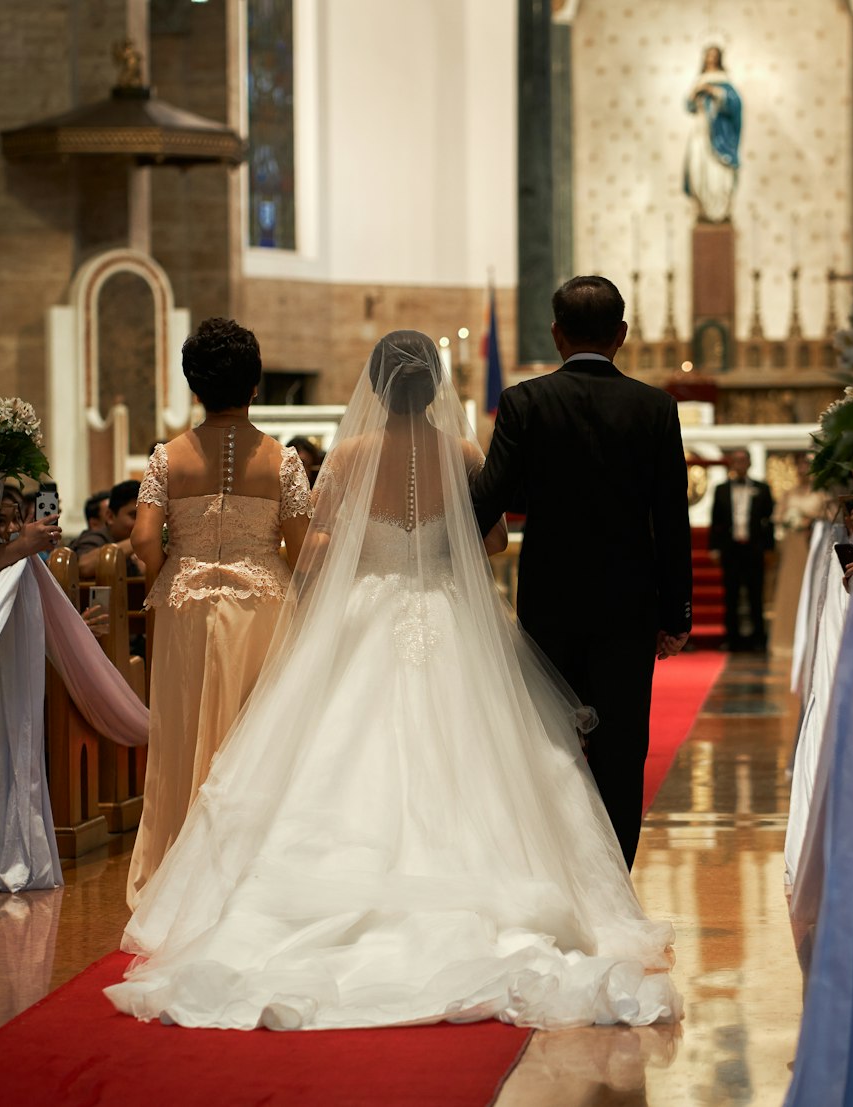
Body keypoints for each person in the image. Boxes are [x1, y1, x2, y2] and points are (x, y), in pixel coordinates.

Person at [105, 330, 681, 1031]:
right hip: (448, 614)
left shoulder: (347, 455)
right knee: (491, 759)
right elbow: (491, 541)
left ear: (374, 388)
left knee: (330, 753)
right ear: (434, 384)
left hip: (366, 614)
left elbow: (321, 541)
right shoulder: (462, 451)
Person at [471, 276, 693, 871]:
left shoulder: (525, 402)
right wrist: (677, 615)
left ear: (556, 334)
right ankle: (614, 878)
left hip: (549, 604)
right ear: (622, 334)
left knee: (551, 744)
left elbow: (486, 501)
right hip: (628, 607)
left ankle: (560, 876)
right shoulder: (654, 407)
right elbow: (671, 519)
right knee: (622, 752)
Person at [124, 317, 313, 909]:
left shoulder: (165, 458)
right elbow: (303, 546)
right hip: (264, 608)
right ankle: (254, 871)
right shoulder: (281, 461)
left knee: (184, 732)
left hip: (187, 607)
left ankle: (180, 867)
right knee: (259, 732)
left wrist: (174, 573)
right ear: (255, 385)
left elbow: (143, 540)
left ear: (195, 387)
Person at [709, 447, 775, 652]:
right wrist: (714, 548)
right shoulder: (721, 489)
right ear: (731, 464)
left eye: (743, 460)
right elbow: (716, 521)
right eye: (736, 460)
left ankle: (758, 639)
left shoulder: (762, 488)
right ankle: (732, 639)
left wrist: (769, 547)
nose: (739, 464)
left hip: (754, 548)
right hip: (731, 549)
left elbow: (769, 520)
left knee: (756, 594)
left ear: (749, 463)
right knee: (732, 595)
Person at [770, 453, 826, 657]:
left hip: (811, 544)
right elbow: (777, 515)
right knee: (791, 589)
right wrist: (788, 520)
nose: (803, 471)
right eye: (801, 466)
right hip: (793, 546)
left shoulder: (821, 493)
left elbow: (828, 514)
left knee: (812, 586)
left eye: (807, 466)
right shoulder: (788, 493)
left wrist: (809, 520)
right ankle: (786, 640)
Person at [683, 44, 742, 223]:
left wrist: (715, 92)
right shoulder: (699, 80)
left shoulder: (725, 81)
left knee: (719, 172)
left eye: (714, 56)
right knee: (698, 168)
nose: (710, 59)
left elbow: (735, 105)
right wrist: (695, 94)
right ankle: (703, 208)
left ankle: (720, 210)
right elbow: (689, 106)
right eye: (708, 55)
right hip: (700, 133)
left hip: (720, 135)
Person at [71, 480, 143, 578]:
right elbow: (84, 566)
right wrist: (140, 540)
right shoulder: (96, 537)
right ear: (110, 517)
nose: (142, 523)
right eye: (133, 515)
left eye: (144, 517)